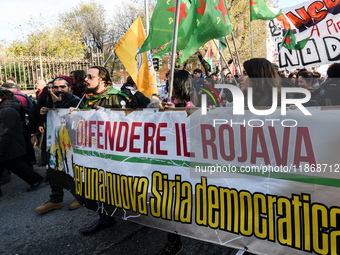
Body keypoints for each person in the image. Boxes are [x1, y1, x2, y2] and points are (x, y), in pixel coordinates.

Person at [75, 66, 129, 236]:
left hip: (117, 150)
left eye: (90, 76)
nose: (86, 79)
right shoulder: (86, 97)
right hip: (94, 149)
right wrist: (75, 114)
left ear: (102, 80)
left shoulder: (117, 96)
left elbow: (131, 120)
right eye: (86, 76)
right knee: (99, 184)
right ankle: (105, 219)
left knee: (121, 184)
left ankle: (137, 216)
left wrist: (110, 114)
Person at [159, 70, 196, 255]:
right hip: (168, 160)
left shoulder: (192, 105)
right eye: (167, 81)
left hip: (185, 163)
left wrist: (178, 113)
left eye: (171, 82)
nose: (168, 85)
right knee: (169, 204)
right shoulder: (167, 102)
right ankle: (173, 240)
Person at [34, 75, 83, 214]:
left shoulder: (76, 101)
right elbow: (51, 119)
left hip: (72, 143)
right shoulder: (50, 98)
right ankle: (56, 199)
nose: (58, 89)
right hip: (55, 140)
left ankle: (79, 197)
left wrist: (59, 106)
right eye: (55, 87)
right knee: (53, 168)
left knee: (73, 169)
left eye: (62, 87)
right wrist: (44, 114)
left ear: (70, 88)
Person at [0, 89, 44, 196]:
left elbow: (5, 131)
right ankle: (36, 179)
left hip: (10, 145)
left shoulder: (7, 110)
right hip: (9, 145)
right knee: (15, 165)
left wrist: (1, 146)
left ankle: (36, 179)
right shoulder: (5, 109)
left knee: (17, 165)